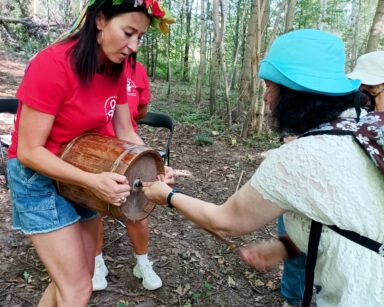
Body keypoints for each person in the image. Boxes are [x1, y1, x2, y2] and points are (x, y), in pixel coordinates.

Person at [142, 29, 384, 307]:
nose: (266, 97)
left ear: (296, 93)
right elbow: (348, 218)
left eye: (271, 86)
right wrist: (287, 247)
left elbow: (227, 221)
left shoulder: (301, 156)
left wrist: (167, 196)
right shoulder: (363, 128)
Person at [6, 1, 171, 306]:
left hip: (84, 169)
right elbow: (29, 151)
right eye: (128, 32)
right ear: (99, 20)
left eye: (140, 37)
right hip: (37, 177)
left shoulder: (118, 69)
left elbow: (125, 132)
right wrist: (92, 181)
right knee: (78, 288)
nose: (133, 46)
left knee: (71, 279)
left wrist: (153, 165)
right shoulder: (54, 64)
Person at [93, 60, 172, 291]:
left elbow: (140, 112)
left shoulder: (137, 70)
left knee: (136, 205)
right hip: (96, 148)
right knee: (95, 206)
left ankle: (143, 263)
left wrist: (152, 161)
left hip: (128, 148)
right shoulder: (95, 65)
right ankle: (97, 263)